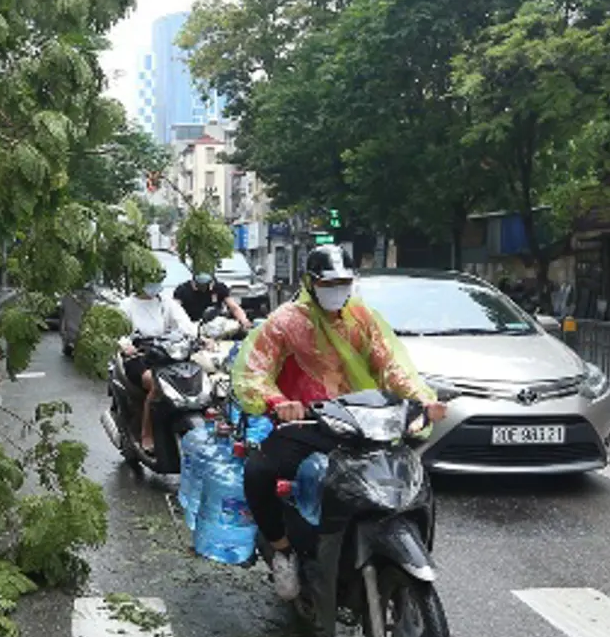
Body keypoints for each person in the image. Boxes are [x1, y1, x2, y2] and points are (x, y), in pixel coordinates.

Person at [233, 245, 446, 601]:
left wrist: (423, 401)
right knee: (257, 472)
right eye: (329, 282)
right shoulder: (285, 323)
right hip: (309, 425)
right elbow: (255, 371)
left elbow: (391, 367)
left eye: (344, 282)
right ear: (311, 283)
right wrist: (279, 402)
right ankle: (283, 551)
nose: (337, 289)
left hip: (365, 422)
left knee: (413, 479)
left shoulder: (363, 319)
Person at [119, 276, 194, 455]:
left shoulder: (166, 302)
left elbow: (185, 325)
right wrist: (125, 345)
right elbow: (119, 332)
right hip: (139, 355)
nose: (154, 284)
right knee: (156, 384)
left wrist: (198, 337)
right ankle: (147, 435)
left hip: (166, 352)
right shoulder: (126, 305)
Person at [173, 270, 249, 328]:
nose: (203, 289)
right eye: (200, 286)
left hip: (214, 324)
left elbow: (234, 307)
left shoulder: (219, 288)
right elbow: (174, 310)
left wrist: (243, 320)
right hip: (190, 325)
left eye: (206, 286)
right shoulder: (183, 290)